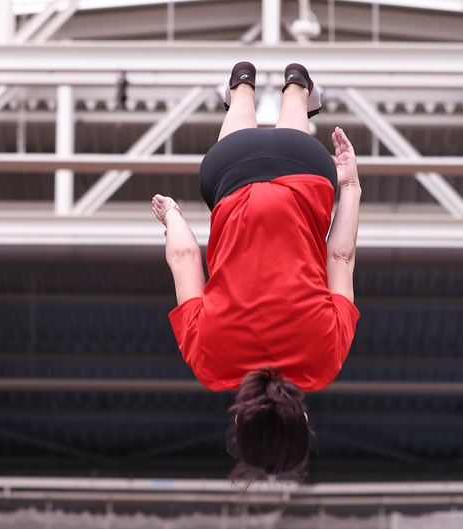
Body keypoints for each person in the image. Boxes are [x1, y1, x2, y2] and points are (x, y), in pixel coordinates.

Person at [152, 62, 361, 481]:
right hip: (232, 171)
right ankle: (242, 87)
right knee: (237, 149)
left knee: (293, 146)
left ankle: (296, 89)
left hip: (304, 167)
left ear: (302, 421)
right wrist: (172, 215)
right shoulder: (208, 364)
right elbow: (185, 259)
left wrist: (350, 187)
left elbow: (339, 257)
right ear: (237, 422)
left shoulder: (326, 362)